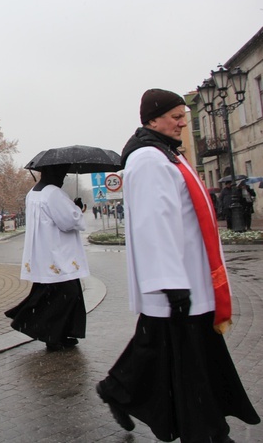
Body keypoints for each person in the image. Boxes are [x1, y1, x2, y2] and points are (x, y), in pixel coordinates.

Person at [96, 88, 260, 442]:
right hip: (178, 280)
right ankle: (209, 431)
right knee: (189, 362)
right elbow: (155, 224)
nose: (183, 123)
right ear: (153, 119)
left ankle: (119, 390)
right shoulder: (150, 159)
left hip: (188, 276)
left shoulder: (166, 154)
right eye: (176, 117)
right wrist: (172, 283)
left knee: (159, 348)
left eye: (184, 117)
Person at [4, 164, 89, 351]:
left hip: (44, 254)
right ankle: (50, 334)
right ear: (53, 173)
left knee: (53, 295)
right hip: (57, 255)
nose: (63, 179)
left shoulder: (33, 192)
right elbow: (68, 221)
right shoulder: (53, 193)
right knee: (66, 295)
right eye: (62, 174)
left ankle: (59, 333)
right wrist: (76, 208)